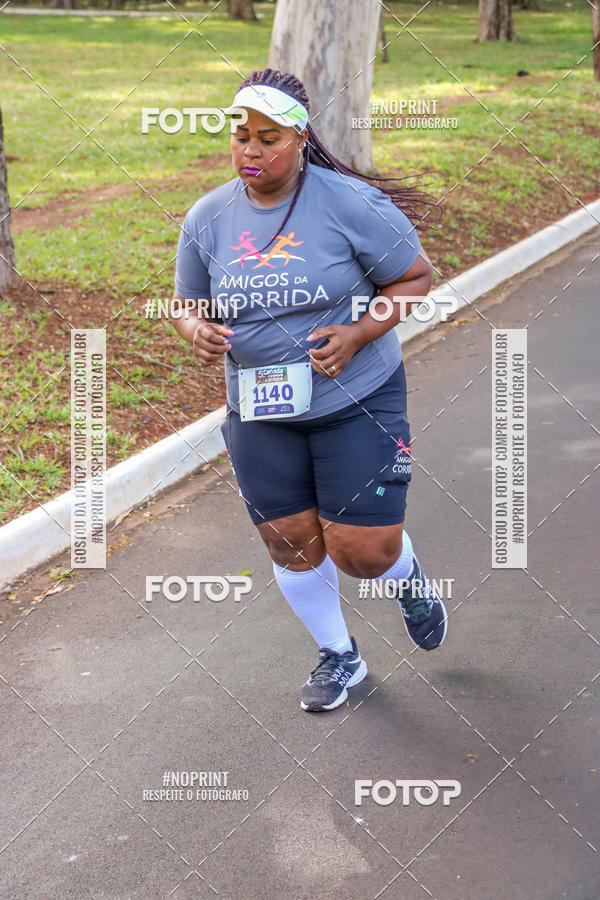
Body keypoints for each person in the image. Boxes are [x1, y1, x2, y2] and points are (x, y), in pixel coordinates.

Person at [172, 68, 447, 713]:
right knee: (291, 542)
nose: (252, 151)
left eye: (268, 138)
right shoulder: (208, 216)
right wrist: (195, 328)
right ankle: (339, 657)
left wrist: (355, 334)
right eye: (241, 137)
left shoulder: (347, 202)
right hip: (260, 406)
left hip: (356, 398)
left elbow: (413, 277)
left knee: (362, 553)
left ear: (299, 139)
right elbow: (187, 300)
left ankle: (408, 581)